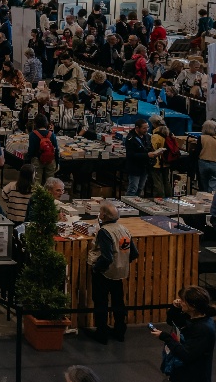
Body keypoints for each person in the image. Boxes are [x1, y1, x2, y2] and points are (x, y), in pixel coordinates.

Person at [86, 201, 138, 345]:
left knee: (101, 302)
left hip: (105, 273)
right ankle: (120, 331)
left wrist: (96, 268)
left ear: (103, 215)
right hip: (120, 272)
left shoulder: (105, 232)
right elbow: (133, 253)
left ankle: (101, 333)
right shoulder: (124, 229)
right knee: (118, 302)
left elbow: (107, 256)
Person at [153, 286, 215, 382]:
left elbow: (186, 354)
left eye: (182, 300)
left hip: (193, 375)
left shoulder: (203, 328)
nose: (179, 301)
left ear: (193, 306)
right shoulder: (192, 317)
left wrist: (166, 337)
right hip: (184, 371)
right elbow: (171, 321)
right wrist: (175, 308)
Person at [124, 119, 154, 196]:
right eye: (144, 128)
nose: (146, 130)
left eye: (147, 127)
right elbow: (131, 155)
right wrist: (147, 155)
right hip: (135, 167)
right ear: (137, 128)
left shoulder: (147, 136)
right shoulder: (131, 139)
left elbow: (149, 147)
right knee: (133, 188)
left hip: (145, 167)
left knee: (140, 188)